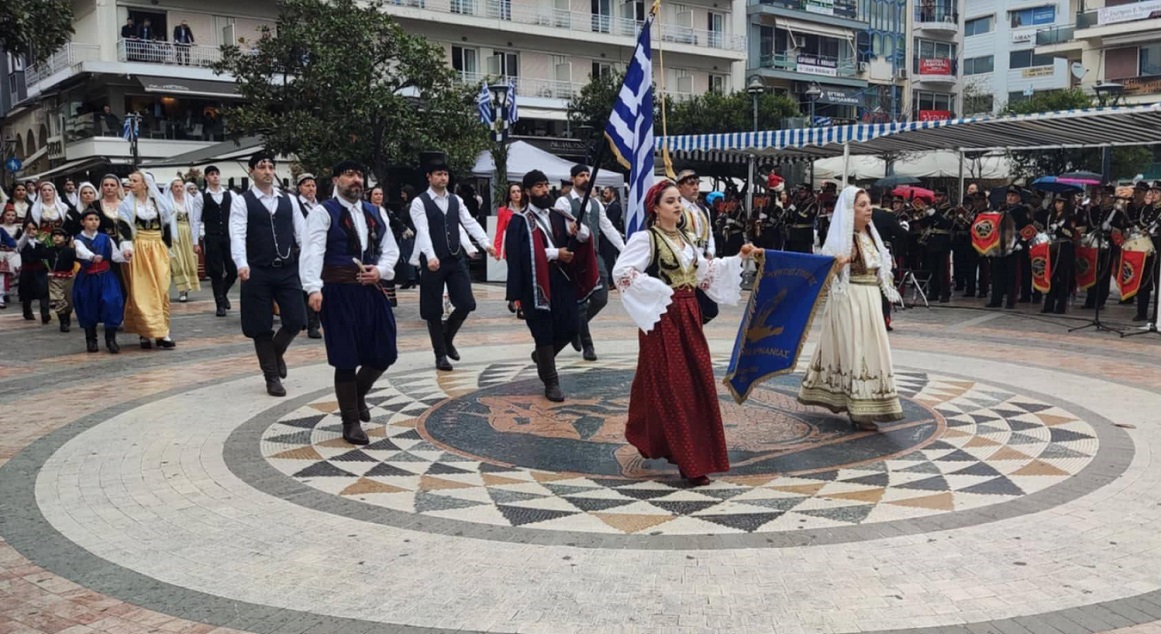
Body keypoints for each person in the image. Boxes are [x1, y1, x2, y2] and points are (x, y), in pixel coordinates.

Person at [612, 180, 753, 486]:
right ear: (655, 208)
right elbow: (622, 272)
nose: (678, 205)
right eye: (670, 201)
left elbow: (704, 273)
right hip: (663, 317)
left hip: (689, 316)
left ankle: (652, 437)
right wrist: (658, 292)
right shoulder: (646, 239)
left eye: (678, 200)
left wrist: (738, 258)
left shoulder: (686, 238)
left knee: (693, 380)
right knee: (674, 385)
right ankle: (690, 461)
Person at [300, 160, 399, 445]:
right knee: (345, 357)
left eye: (359, 175)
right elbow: (312, 251)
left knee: (385, 352)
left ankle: (356, 395)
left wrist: (381, 270)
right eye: (349, 175)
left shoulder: (374, 211)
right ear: (335, 180)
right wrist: (313, 288)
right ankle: (350, 421)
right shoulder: (323, 212)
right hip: (338, 290)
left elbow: (390, 249)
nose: (356, 180)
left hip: (371, 289)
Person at [798, 186, 903, 431]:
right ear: (849, 210)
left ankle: (869, 400)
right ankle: (858, 407)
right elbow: (827, 271)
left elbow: (879, 267)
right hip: (850, 299)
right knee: (856, 348)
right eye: (862, 205)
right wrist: (837, 264)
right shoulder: (841, 239)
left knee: (871, 347)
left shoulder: (871, 235)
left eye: (869, 204)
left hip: (870, 298)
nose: (868, 209)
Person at [505, 170, 600, 402]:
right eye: (538, 186)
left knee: (572, 325)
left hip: (560, 279)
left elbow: (584, 236)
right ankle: (551, 381)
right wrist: (556, 253)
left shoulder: (559, 215)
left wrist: (578, 231)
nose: (544, 190)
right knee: (543, 331)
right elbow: (520, 255)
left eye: (546, 185)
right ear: (528, 191)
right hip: (535, 283)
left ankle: (542, 357)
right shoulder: (519, 221)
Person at [230, 152, 307, 397]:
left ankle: (275, 352)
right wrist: (241, 263)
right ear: (252, 171)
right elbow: (237, 233)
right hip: (257, 269)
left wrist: (309, 262)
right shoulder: (242, 201)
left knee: (296, 319)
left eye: (270, 167)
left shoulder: (289, 200)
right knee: (260, 325)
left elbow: (302, 233)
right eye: (262, 167)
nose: (267, 171)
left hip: (287, 268)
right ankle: (271, 377)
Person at [409, 156, 495, 372]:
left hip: (455, 258)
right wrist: (430, 256)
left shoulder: (456, 200)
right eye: (438, 174)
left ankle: (447, 337)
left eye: (445, 174)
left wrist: (486, 244)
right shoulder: (420, 202)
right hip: (433, 260)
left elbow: (469, 222)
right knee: (432, 310)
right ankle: (440, 354)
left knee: (466, 303)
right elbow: (423, 230)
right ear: (429, 177)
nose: (443, 178)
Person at [555, 164, 625, 361]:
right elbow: (563, 227)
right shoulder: (564, 202)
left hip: (594, 255)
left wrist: (624, 249)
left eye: (587, 175)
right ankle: (587, 344)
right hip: (575, 258)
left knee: (601, 298)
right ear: (572, 178)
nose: (585, 178)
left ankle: (576, 329)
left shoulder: (596, 204)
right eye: (581, 175)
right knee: (580, 303)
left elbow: (607, 227)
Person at [119, 171, 178, 349]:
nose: (131, 183)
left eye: (135, 180)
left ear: (145, 184)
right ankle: (145, 332)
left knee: (161, 289)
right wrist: (126, 247)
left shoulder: (158, 203)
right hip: (139, 248)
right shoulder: (127, 204)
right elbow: (123, 228)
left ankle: (162, 331)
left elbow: (166, 226)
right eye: (130, 180)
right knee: (143, 291)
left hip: (157, 247)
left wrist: (168, 248)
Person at [73, 209, 125, 353]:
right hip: (87, 278)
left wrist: (126, 256)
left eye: (96, 219)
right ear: (83, 222)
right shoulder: (78, 239)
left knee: (111, 302)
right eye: (90, 219)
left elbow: (115, 255)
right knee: (88, 306)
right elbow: (81, 251)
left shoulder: (105, 238)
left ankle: (111, 339)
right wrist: (92, 257)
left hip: (106, 276)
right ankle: (91, 339)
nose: (94, 222)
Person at [191, 165, 237, 317]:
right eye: (212, 174)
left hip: (229, 236)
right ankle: (220, 304)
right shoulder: (201, 196)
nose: (215, 176)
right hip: (212, 237)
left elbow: (237, 215)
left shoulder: (230, 194)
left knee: (233, 270)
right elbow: (196, 220)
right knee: (216, 271)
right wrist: (195, 242)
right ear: (206, 178)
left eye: (217, 174)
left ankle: (223, 293)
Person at [676, 169, 719, 324]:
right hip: (686, 264)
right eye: (690, 184)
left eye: (697, 184)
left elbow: (710, 233)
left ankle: (692, 331)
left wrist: (710, 252)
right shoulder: (677, 208)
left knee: (709, 309)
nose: (695, 187)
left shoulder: (703, 209)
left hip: (704, 262)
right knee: (691, 306)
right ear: (679, 187)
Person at [986, 186, 1026, 309]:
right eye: (1008, 195)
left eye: (1013, 195)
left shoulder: (1022, 210)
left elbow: (1026, 228)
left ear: (1019, 197)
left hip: (1013, 245)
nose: (1010, 197)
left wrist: (1020, 241)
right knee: (997, 274)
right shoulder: (1001, 209)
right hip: (1000, 245)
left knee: (1012, 275)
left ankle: (1010, 300)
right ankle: (996, 299)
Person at [295, 173, 322, 339]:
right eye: (307, 185)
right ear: (300, 188)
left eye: (313, 185)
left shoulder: (320, 206)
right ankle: (306, 320)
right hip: (300, 251)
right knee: (303, 287)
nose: (311, 189)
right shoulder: (295, 205)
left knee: (316, 285)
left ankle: (314, 323)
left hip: (318, 252)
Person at [167, 178, 200, 303]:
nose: (179, 189)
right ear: (171, 188)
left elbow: (196, 218)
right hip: (175, 234)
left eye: (181, 186)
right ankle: (182, 289)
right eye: (176, 186)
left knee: (189, 259)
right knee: (178, 260)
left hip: (188, 233)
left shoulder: (190, 201)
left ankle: (188, 286)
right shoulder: (168, 202)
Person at [1042, 197, 1077, 315]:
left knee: (1063, 278)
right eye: (1056, 202)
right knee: (1051, 276)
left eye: (1060, 202)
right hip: (1052, 248)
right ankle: (1048, 304)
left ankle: (1061, 306)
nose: (1057, 205)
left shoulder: (1070, 217)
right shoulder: (1050, 216)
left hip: (1064, 248)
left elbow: (1071, 234)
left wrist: (1060, 229)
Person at [1134, 181, 1161, 322]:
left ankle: (1157, 314)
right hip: (1145, 249)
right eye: (1152, 192)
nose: (1153, 194)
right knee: (1143, 281)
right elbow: (1141, 224)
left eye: (1157, 192)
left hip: (1158, 249)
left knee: (1158, 283)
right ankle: (1141, 312)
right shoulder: (1147, 209)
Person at [16, 221, 50, 322]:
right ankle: (27, 312)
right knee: (26, 294)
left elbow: (46, 255)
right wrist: (26, 232)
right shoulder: (21, 243)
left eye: (34, 229)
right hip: (27, 271)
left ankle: (45, 313)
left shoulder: (40, 242)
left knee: (44, 292)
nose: (31, 231)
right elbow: (22, 242)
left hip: (40, 271)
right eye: (29, 229)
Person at [44, 228, 76, 332]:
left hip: (68, 277)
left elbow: (80, 260)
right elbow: (37, 255)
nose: (57, 237)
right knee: (59, 300)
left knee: (69, 302)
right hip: (54, 278)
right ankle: (63, 323)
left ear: (66, 238)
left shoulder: (70, 251)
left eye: (60, 235)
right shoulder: (49, 250)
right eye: (54, 235)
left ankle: (67, 316)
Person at [395, 185, 418, 289]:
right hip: (411, 233)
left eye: (403, 193)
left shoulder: (409, 206)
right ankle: (412, 277)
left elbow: (404, 219)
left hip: (408, 233)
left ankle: (411, 278)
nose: (402, 196)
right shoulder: (410, 205)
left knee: (407, 255)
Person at [784, 184, 818, 254]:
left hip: (804, 235)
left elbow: (807, 219)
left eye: (802, 192)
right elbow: (791, 218)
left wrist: (796, 211)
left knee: (804, 254)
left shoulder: (812, 205)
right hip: (794, 235)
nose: (800, 194)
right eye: (799, 192)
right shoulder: (797, 203)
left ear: (808, 193)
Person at [0, 208, 20, 308]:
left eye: (13, 215)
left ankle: (5, 294)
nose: (10, 217)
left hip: (11, 254)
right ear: (3, 215)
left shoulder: (17, 229)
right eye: (8, 215)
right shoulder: (1, 228)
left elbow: (16, 243)